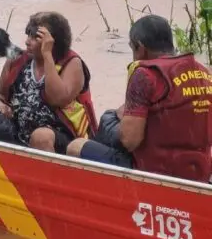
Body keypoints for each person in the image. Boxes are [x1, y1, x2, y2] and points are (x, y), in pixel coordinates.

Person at [67, 14, 212, 183]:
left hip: (153, 171)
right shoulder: (203, 72)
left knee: (76, 146)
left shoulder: (145, 74)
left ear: (140, 48)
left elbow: (130, 141)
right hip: (197, 171)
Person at [0, 11, 98, 154]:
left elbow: (57, 99)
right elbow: (0, 94)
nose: (27, 41)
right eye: (27, 34)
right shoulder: (17, 61)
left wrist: (47, 55)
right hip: (19, 131)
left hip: (63, 139)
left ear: (52, 42)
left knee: (41, 137)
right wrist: (1, 106)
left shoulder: (71, 64)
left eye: (35, 37)